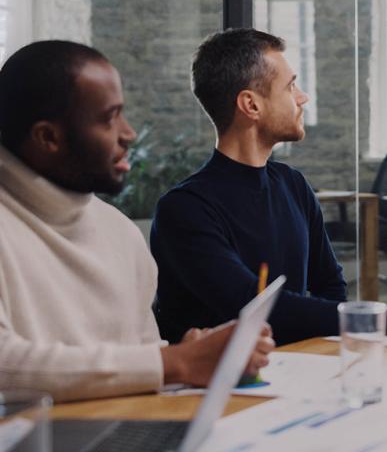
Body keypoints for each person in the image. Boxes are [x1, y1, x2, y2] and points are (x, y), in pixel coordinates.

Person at [151, 28, 387, 345]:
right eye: (290, 86)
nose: (302, 98)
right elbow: (255, 309)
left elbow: (331, 292)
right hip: (222, 395)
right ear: (251, 105)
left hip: (302, 371)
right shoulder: (185, 211)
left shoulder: (293, 185)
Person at [0, 41, 274, 403]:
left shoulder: (119, 232)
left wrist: (188, 355)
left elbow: (141, 360)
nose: (128, 134)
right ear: (48, 137)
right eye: (109, 118)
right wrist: (174, 361)